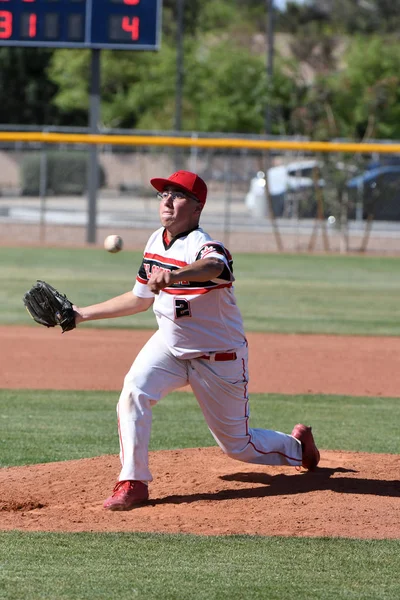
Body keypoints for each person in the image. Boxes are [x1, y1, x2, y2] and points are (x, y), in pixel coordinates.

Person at [73, 170, 320, 511]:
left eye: (177, 195)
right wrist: (81, 314)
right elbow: (140, 298)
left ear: (197, 206)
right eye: (164, 194)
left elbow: (213, 267)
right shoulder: (154, 241)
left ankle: (298, 447)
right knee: (133, 391)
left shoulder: (204, 245)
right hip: (170, 347)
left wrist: (174, 275)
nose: (167, 201)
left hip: (218, 358)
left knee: (238, 447)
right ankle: (133, 481)